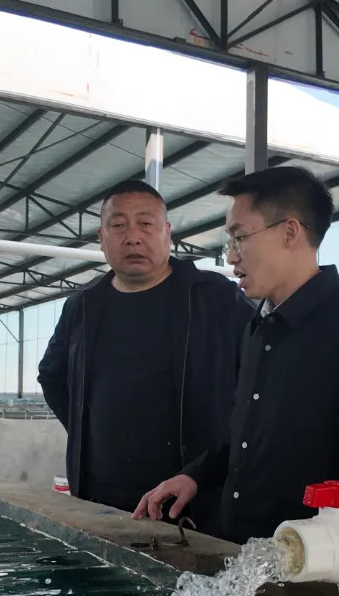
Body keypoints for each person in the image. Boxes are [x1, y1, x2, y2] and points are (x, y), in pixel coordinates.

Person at [132, 166, 339, 545]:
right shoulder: (257, 329)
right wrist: (195, 475)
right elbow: (244, 439)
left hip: (313, 573)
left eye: (239, 238)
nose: (230, 256)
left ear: (289, 232)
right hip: (242, 559)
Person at [37, 179, 255, 533]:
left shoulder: (215, 299)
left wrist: (215, 461)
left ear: (168, 233)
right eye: (119, 225)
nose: (133, 237)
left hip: (195, 505)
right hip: (100, 502)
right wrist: (87, 432)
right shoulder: (83, 306)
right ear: (101, 237)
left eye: (146, 224)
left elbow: (263, 378)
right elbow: (52, 376)